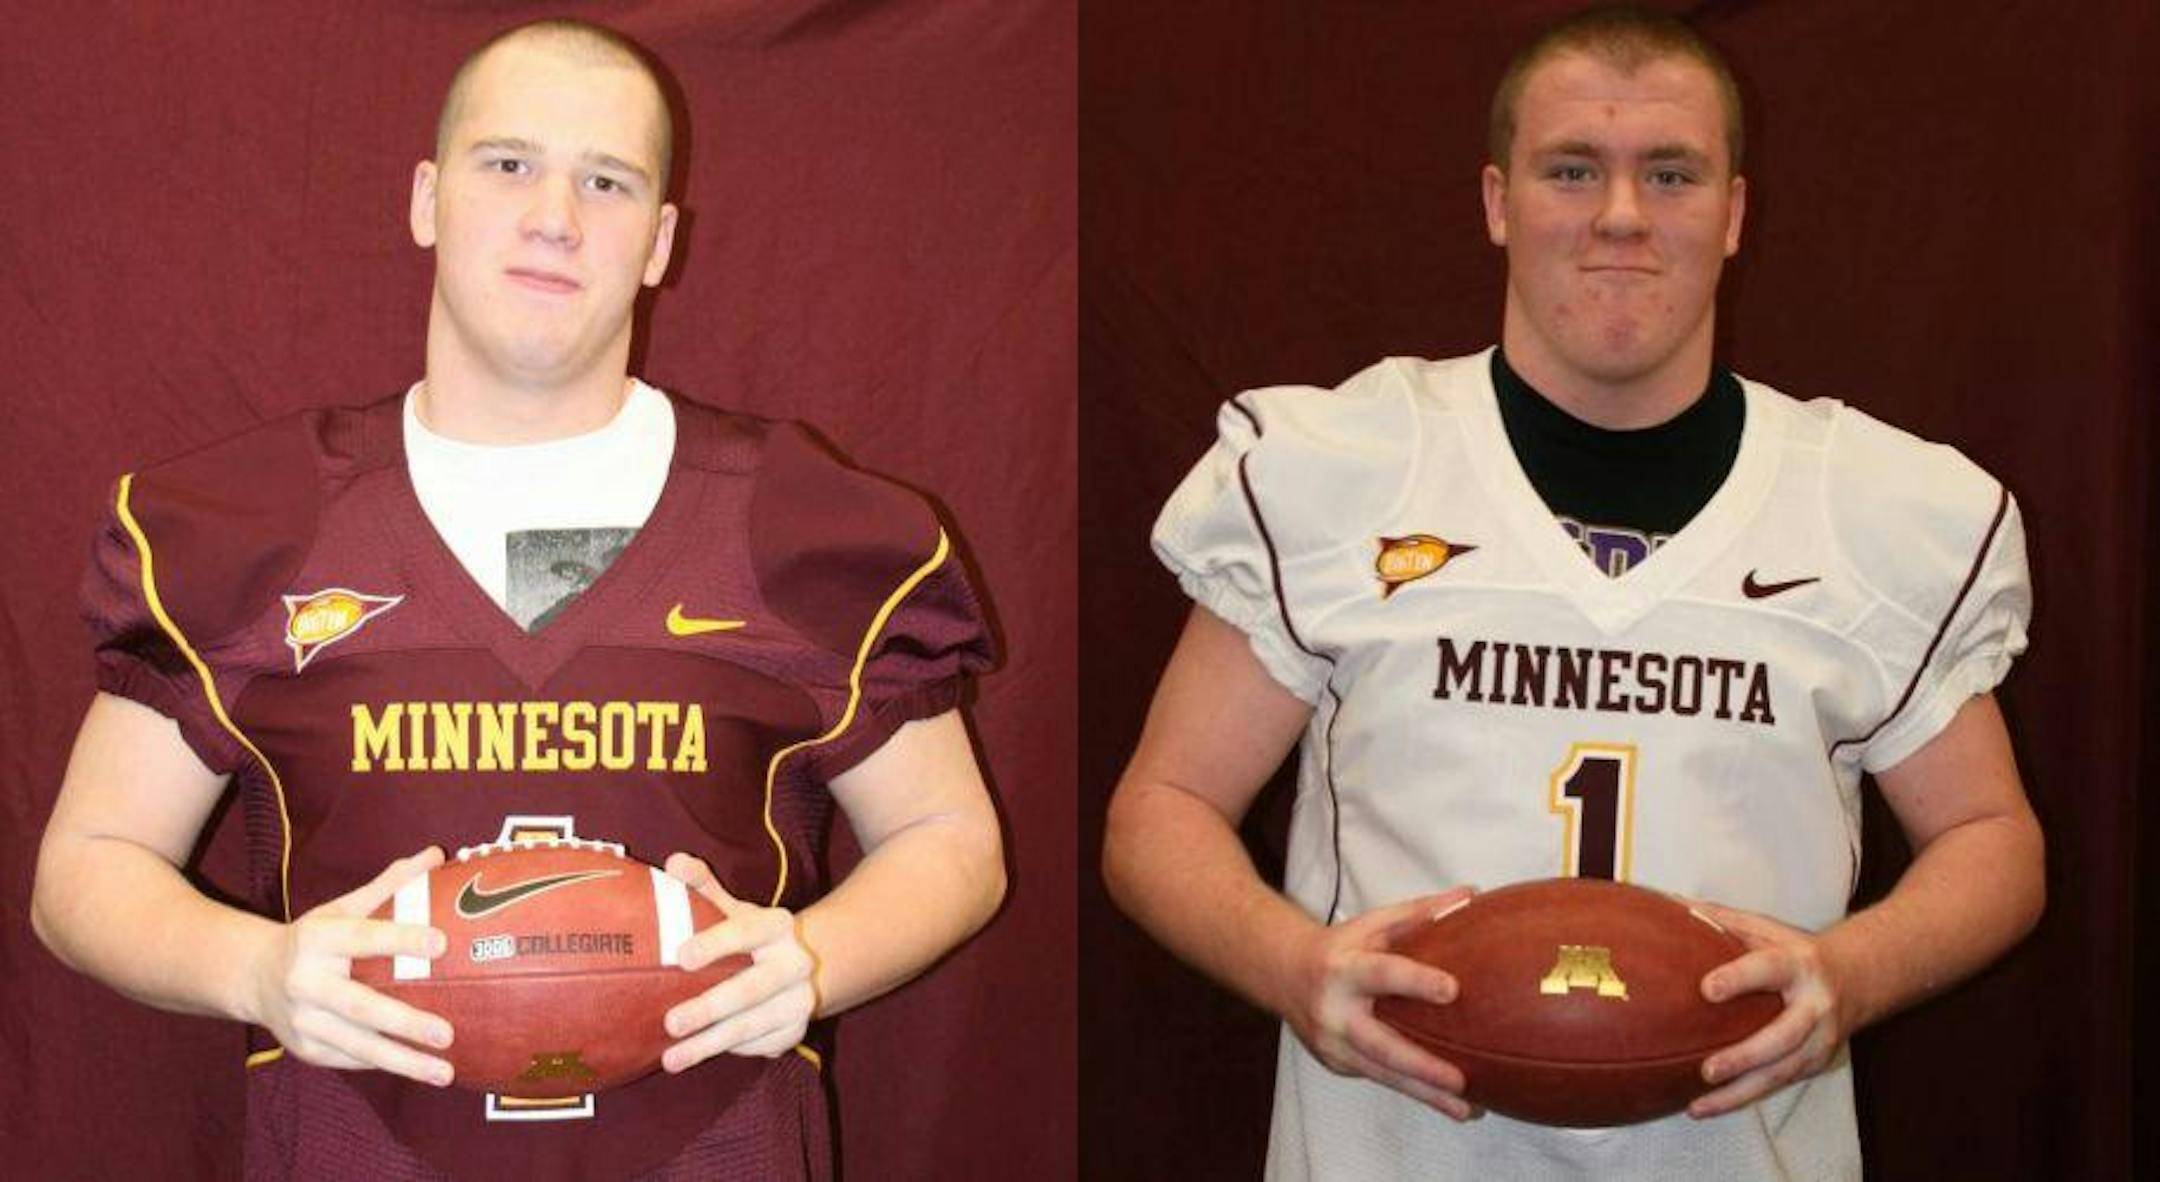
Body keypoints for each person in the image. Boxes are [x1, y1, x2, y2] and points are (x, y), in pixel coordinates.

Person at [31, 19, 1004, 1181]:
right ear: (428, 200)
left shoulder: (806, 526)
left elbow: (954, 839)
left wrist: (817, 956)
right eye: (510, 165)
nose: (556, 215)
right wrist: (253, 970)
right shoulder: (246, 527)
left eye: (608, 181)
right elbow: (84, 864)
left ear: (659, 241)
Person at [1101, 6, 2043, 1180]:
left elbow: (1991, 837)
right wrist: (1292, 966)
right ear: (1498, 201)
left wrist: (1852, 975)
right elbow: (1162, 806)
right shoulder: (1343, 468)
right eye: (1572, 170)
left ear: (1736, 210)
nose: (1621, 217)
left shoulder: (1870, 507)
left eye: (1671, 173)